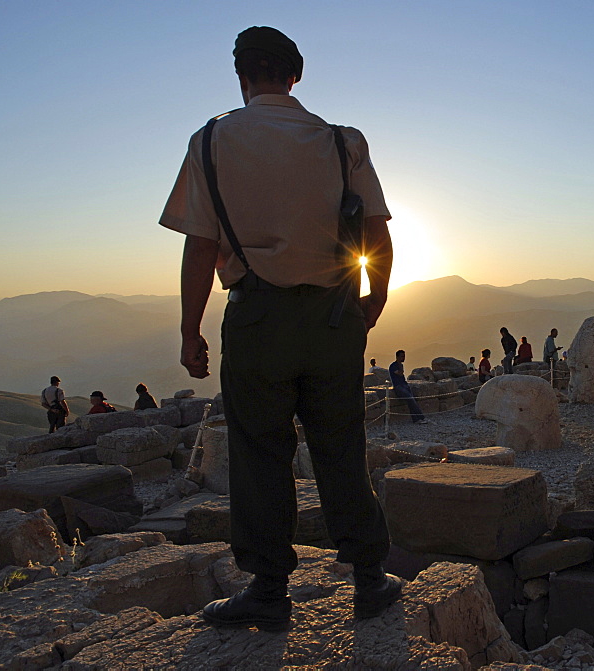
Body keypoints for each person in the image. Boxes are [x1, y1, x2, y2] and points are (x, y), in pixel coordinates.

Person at [159, 26, 401, 631]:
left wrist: (191, 331)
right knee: (342, 445)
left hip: (257, 317)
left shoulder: (211, 139)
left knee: (260, 450)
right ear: (295, 76)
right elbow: (377, 233)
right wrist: (374, 300)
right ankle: (369, 579)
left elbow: (199, 248)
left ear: (242, 76)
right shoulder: (343, 141)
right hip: (334, 315)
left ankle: (268, 592)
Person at [389, 350, 428, 424]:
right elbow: (400, 374)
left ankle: (416, 419)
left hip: (404, 385)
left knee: (411, 401)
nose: (404, 358)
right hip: (398, 387)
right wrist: (400, 366)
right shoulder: (393, 366)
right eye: (402, 356)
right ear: (397, 357)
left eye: (404, 356)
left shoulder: (400, 365)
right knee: (411, 399)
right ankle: (421, 417)